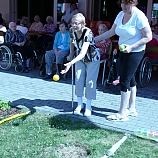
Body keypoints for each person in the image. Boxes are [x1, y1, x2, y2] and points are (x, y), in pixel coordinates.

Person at [94, 0, 152, 121]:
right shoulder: (120, 14)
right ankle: (132, 109)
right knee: (130, 79)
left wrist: (131, 47)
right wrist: (94, 39)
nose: (123, 6)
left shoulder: (139, 16)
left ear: (133, 3)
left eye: (126, 3)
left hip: (135, 51)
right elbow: (111, 32)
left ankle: (122, 113)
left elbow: (148, 36)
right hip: (123, 51)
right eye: (122, 3)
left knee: (124, 80)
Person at [61, 13, 100, 117]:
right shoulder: (71, 31)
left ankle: (88, 106)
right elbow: (71, 42)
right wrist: (70, 54)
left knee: (89, 81)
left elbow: (83, 53)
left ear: (83, 24)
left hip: (92, 57)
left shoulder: (88, 33)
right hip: (79, 57)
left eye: (76, 23)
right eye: (72, 23)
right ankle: (79, 104)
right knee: (78, 79)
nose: (74, 25)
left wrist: (70, 62)